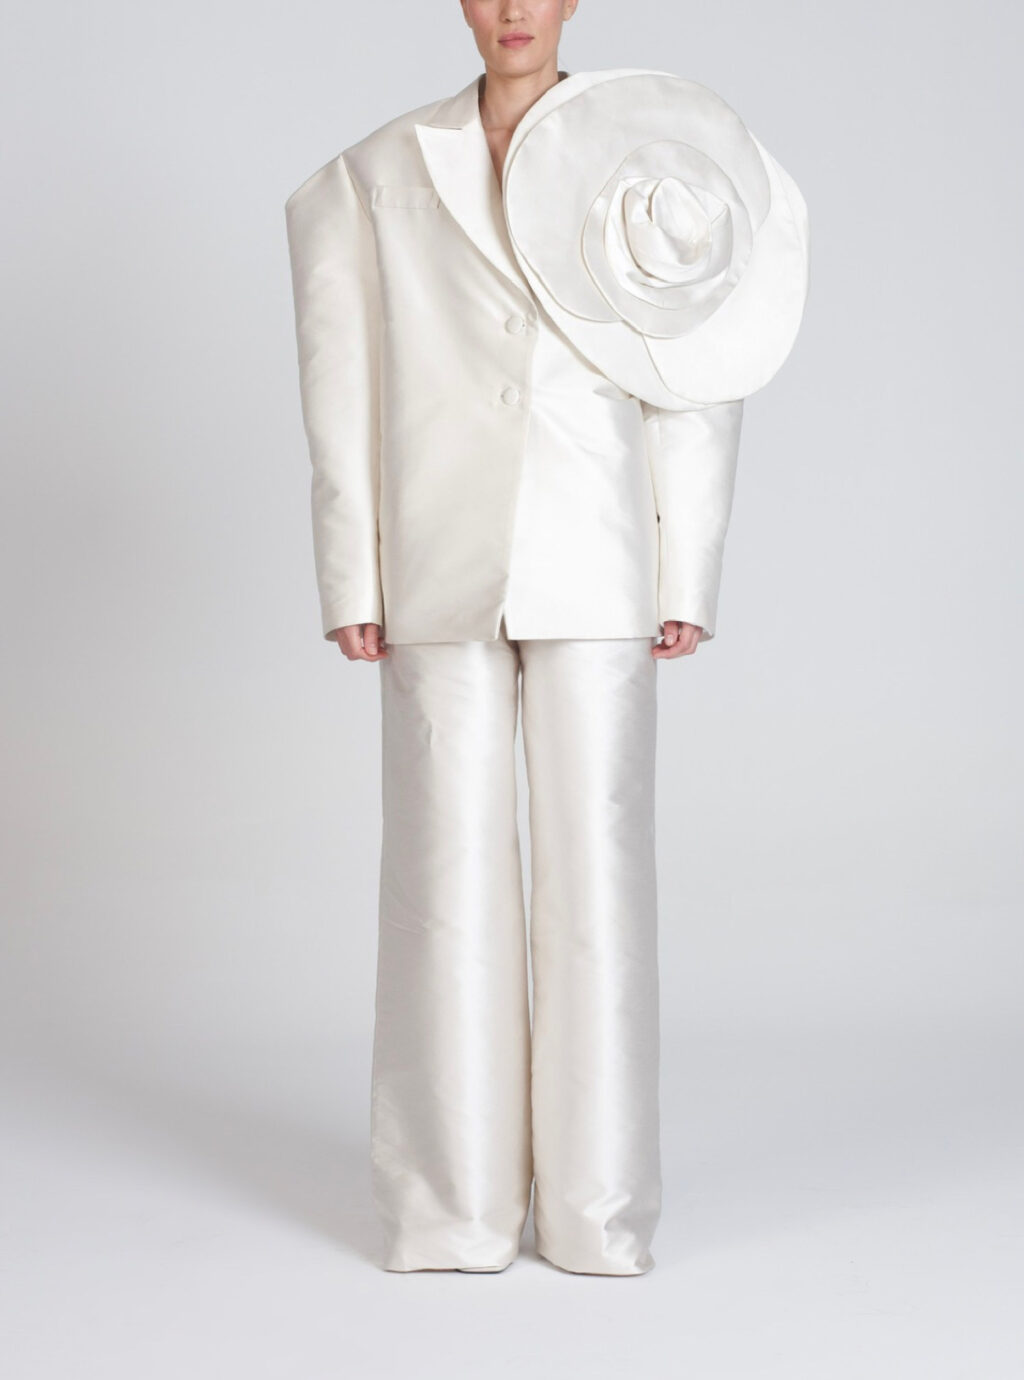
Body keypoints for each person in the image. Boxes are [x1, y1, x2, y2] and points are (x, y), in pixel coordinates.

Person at [284, 0, 809, 1275]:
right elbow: (339, 373)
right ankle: (449, 1208)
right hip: (433, 556)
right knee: (440, 883)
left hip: (597, 550)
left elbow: (694, 368)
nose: (514, 8)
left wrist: (685, 560)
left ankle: (597, 1209)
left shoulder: (651, 153)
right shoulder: (372, 173)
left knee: (597, 882)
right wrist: (352, 568)